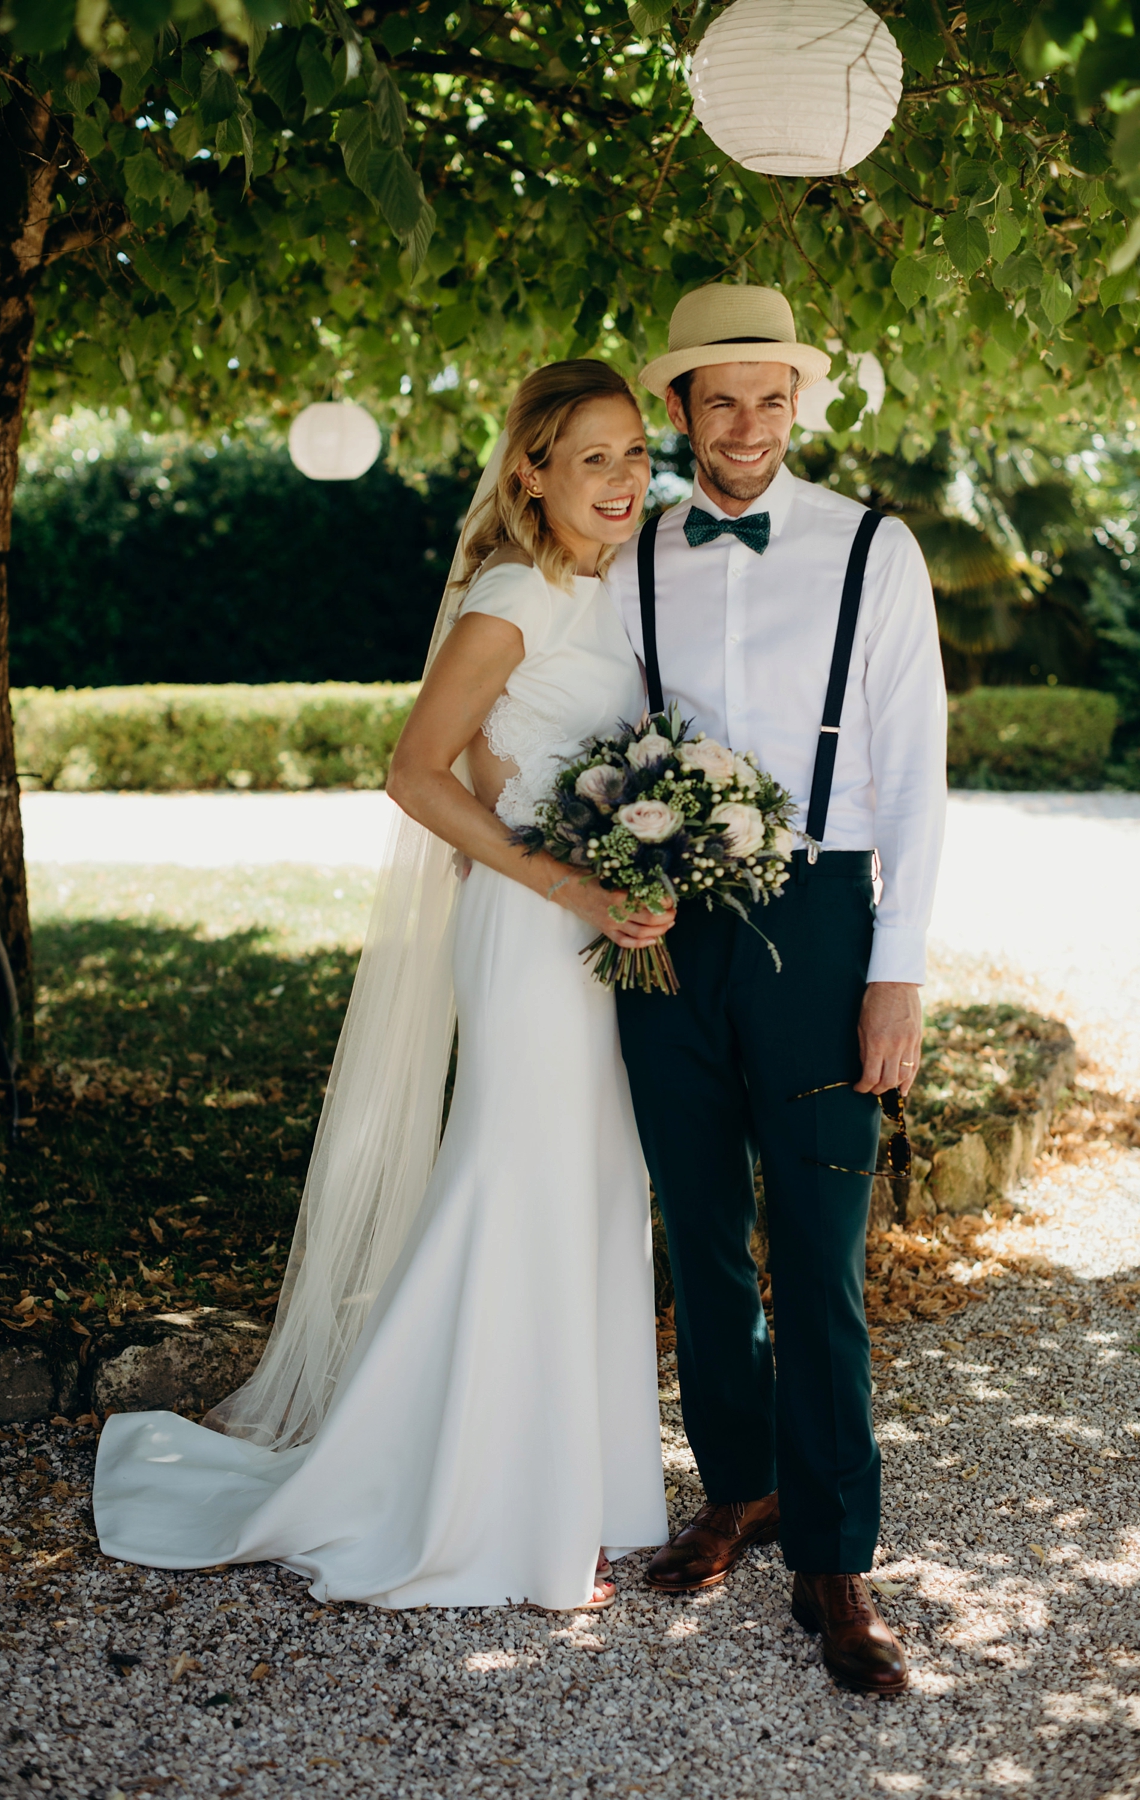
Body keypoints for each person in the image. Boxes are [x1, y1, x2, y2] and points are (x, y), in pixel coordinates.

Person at [92, 361, 673, 1612]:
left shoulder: (618, 590)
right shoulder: (514, 594)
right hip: (530, 935)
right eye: (594, 459)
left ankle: (580, 1484)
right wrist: (567, 886)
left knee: (592, 1190)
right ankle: (477, 1501)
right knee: (515, 1184)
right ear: (532, 471)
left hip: (595, 931)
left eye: (635, 454)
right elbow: (415, 773)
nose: (624, 480)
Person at [606, 284, 947, 1694]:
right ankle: (736, 1490)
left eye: (771, 398)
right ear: (679, 410)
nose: (747, 427)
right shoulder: (630, 555)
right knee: (697, 1229)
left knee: (816, 1247)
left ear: (796, 406)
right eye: (719, 400)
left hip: (819, 916)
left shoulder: (874, 549)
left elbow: (919, 774)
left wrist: (898, 973)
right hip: (665, 927)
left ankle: (837, 1554)